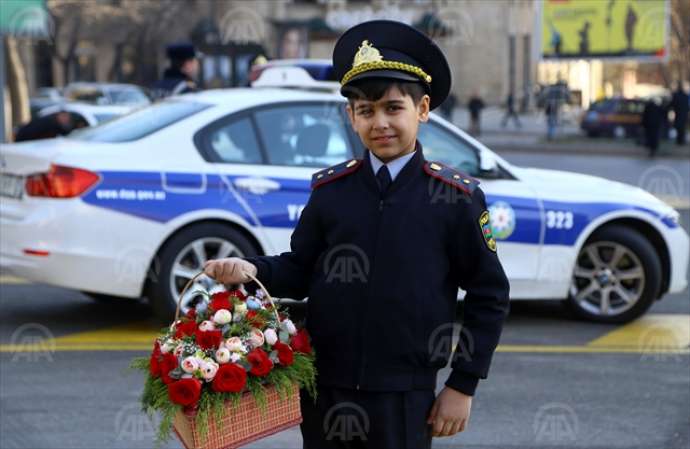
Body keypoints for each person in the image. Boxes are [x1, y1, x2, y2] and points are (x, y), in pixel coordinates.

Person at [203, 20, 510, 449]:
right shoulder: (332, 191)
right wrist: (252, 268)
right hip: (325, 387)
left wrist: (463, 385)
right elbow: (300, 269)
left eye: (393, 108)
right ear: (351, 117)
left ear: (422, 109)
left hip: (404, 395)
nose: (380, 122)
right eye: (366, 111)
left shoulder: (454, 198)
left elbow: (488, 295)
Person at [14, 111, 78, 141]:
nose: (66, 120)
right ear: (59, 116)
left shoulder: (53, 122)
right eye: (65, 117)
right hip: (25, 141)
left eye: (68, 119)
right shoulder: (50, 122)